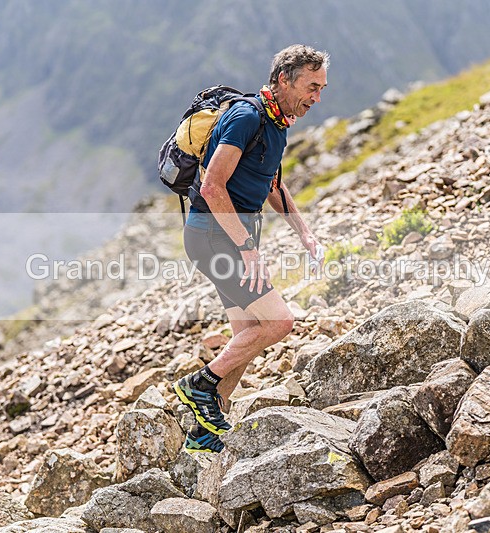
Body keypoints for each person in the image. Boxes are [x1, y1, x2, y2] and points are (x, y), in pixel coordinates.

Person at [173, 44, 329, 453]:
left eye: (321, 89)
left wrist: (305, 233)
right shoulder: (246, 117)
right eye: (311, 87)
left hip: (229, 236)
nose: (316, 98)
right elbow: (212, 186)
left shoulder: (277, 124)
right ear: (283, 79)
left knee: (245, 334)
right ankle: (201, 384)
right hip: (213, 236)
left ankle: (204, 433)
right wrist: (247, 248)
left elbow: (272, 185)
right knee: (279, 322)